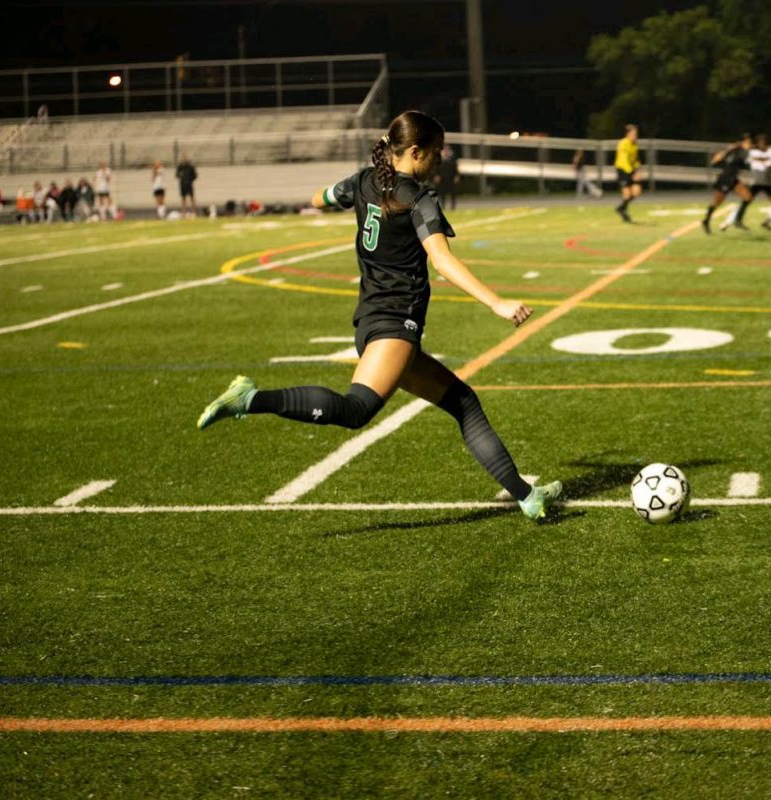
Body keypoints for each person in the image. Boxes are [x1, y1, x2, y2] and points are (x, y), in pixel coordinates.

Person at [195, 110, 562, 521]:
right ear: (416, 152)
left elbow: (322, 197)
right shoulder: (417, 199)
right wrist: (496, 302)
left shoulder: (364, 181)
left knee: (463, 403)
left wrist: (331, 197)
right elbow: (441, 261)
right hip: (393, 326)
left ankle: (527, 495)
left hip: (374, 321)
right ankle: (250, 398)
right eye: (436, 153)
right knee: (356, 410)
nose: (440, 160)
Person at [701, 134, 753, 233]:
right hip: (724, 179)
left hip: (733, 179)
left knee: (747, 197)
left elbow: (746, 162)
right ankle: (706, 221)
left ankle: (738, 221)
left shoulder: (742, 152)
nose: (750, 144)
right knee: (717, 203)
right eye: (748, 142)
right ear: (742, 142)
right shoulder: (735, 151)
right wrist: (728, 149)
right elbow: (714, 161)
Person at [613, 123, 642, 222]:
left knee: (637, 192)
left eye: (636, 134)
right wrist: (632, 174)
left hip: (631, 170)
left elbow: (636, 160)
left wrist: (637, 171)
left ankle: (621, 208)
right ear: (628, 134)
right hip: (622, 170)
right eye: (634, 134)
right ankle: (623, 211)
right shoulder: (623, 143)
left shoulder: (635, 145)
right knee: (627, 194)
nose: (635, 136)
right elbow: (623, 161)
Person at [432, 145, 460, 210]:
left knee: (452, 193)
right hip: (442, 179)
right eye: (445, 150)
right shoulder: (439, 159)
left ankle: (453, 207)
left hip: (451, 178)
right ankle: (443, 206)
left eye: (447, 150)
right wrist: (436, 175)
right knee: (442, 193)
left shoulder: (453, 158)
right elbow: (436, 169)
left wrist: (457, 176)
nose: (446, 151)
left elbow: (456, 169)